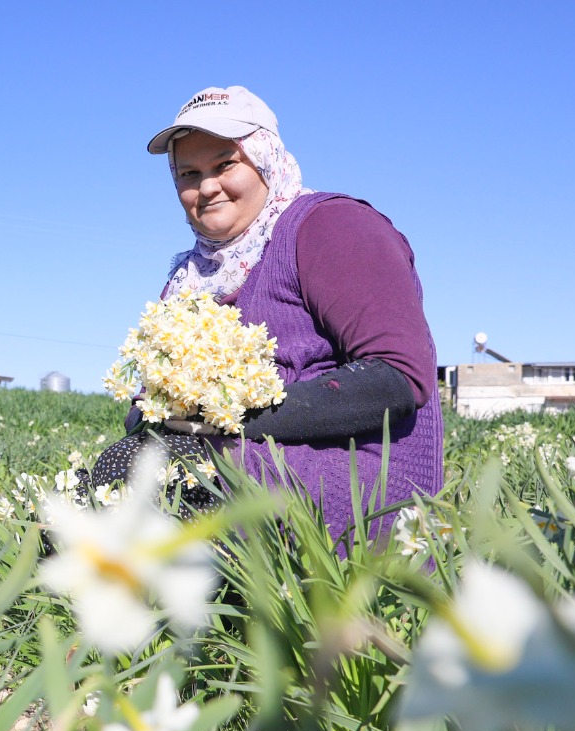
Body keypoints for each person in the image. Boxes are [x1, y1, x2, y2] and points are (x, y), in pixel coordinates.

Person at [94, 86, 443, 548]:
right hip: (237, 462)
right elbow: (149, 406)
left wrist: (228, 416)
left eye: (224, 165)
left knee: (156, 485)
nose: (207, 186)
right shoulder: (193, 277)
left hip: (360, 486)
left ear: (265, 158)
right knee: (112, 480)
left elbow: (395, 378)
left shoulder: (331, 228)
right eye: (188, 173)